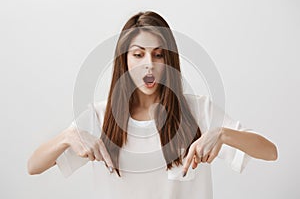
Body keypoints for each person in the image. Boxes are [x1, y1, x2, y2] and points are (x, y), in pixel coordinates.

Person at [27, 11, 278, 199]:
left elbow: (270, 152)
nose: (149, 63)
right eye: (138, 54)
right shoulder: (99, 116)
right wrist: (67, 137)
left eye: (158, 54)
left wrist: (223, 135)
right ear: (124, 60)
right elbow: (33, 166)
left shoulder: (198, 110)